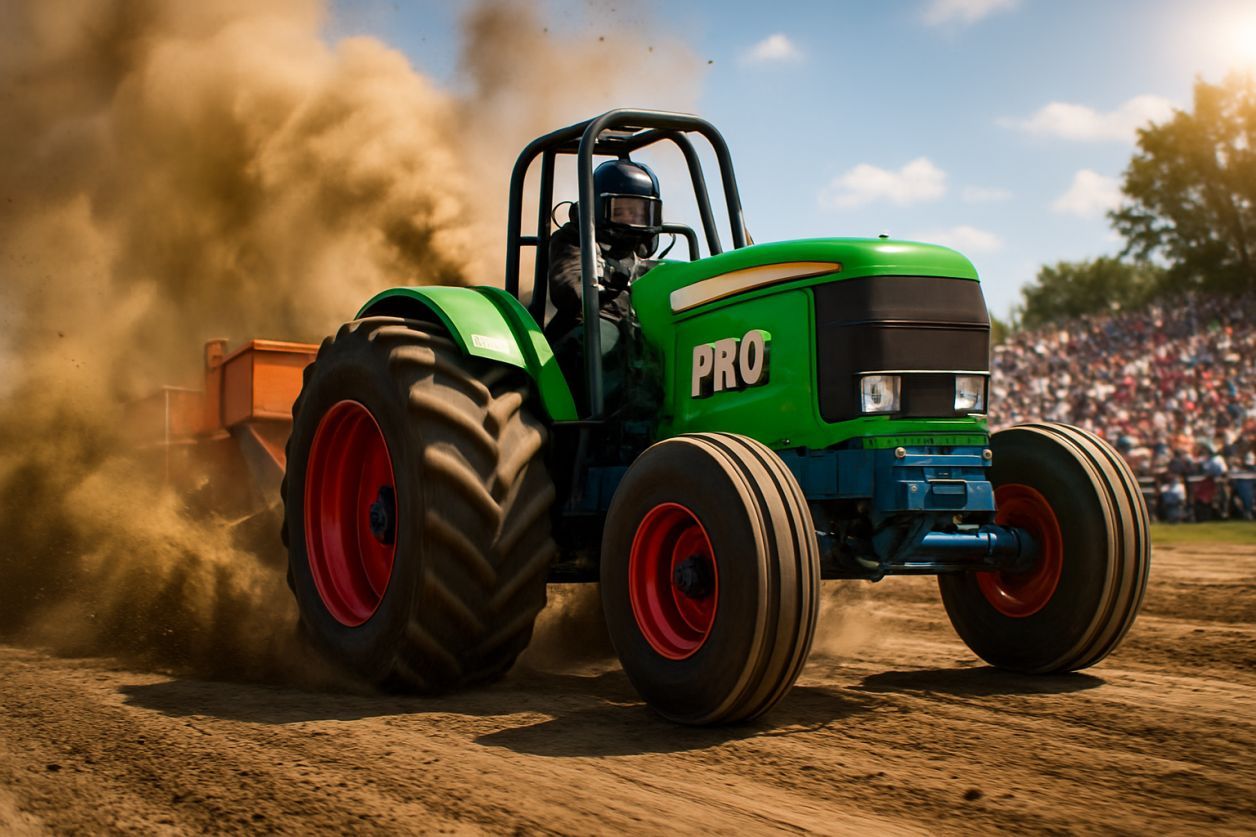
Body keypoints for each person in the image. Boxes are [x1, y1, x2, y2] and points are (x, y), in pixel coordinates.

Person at [546, 157, 662, 410]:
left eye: (640, 212)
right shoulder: (573, 240)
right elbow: (569, 289)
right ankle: (602, 428)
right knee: (606, 342)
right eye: (622, 210)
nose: (631, 219)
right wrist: (606, 285)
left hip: (635, 324)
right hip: (585, 322)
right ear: (599, 208)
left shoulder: (640, 255)